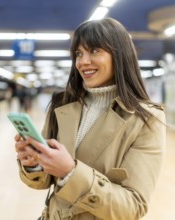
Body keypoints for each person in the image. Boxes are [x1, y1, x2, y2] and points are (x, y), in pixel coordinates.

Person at [14, 17, 166, 220]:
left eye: (94, 50)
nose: (83, 61)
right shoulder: (62, 105)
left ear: (119, 55)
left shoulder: (145, 120)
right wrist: (34, 163)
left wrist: (70, 172)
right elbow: (44, 181)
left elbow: (133, 206)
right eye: (78, 53)